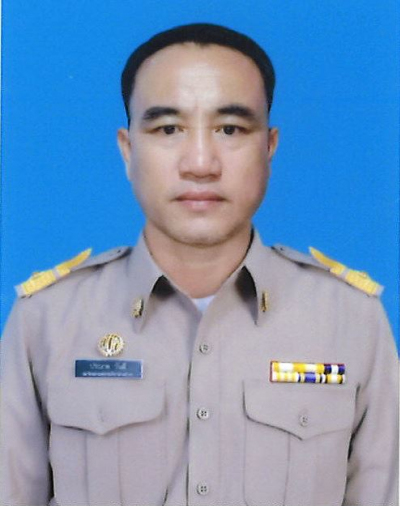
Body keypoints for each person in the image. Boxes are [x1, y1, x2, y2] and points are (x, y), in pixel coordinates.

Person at [0, 23, 398, 506]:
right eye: (168, 129)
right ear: (128, 149)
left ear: (269, 147)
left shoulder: (352, 320)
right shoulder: (47, 320)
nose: (201, 163)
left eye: (231, 129)